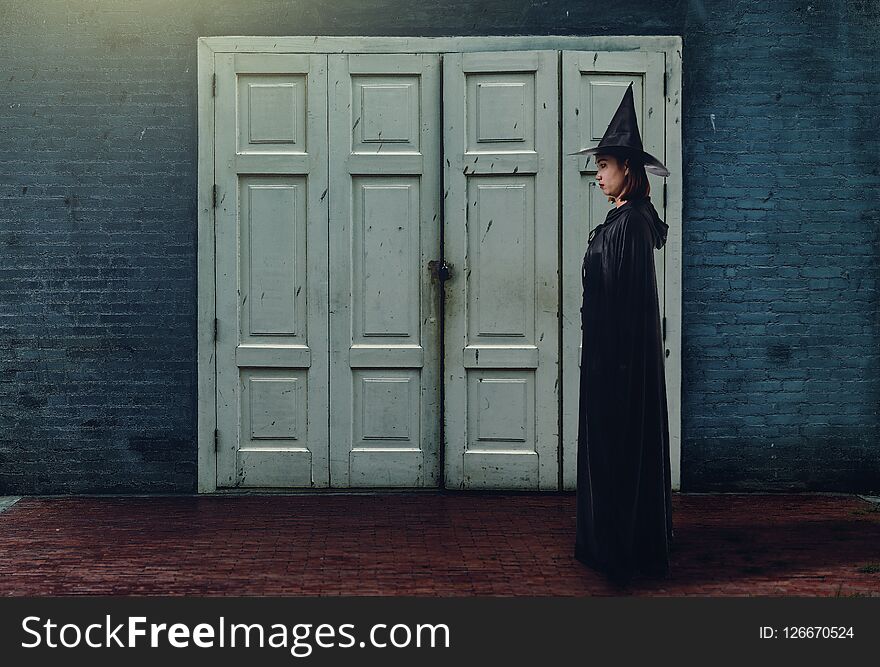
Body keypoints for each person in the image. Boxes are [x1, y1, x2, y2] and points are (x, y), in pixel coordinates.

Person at [569, 83, 673, 587]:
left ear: (626, 170)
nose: (598, 174)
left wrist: (615, 370)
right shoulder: (624, 222)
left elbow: (628, 307)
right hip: (612, 359)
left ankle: (621, 548)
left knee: (617, 448)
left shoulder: (629, 227)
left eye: (604, 166)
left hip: (619, 363)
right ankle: (614, 541)